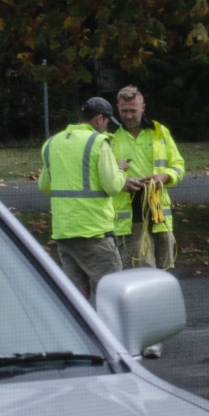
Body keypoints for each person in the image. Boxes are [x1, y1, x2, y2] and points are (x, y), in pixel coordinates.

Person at [39, 97, 125, 301]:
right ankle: (110, 332)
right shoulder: (98, 142)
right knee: (111, 293)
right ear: (98, 118)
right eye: (106, 122)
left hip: (64, 232)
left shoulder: (52, 143)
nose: (106, 127)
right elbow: (113, 186)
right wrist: (120, 169)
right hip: (93, 230)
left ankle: (81, 331)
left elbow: (44, 186)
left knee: (78, 296)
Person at [110, 86, 186, 272]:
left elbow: (178, 165)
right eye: (123, 111)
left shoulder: (159, 132)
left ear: (143, 108)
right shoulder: (109, 137)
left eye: (133, 111)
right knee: (139, 273)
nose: (128, 116)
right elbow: (100, 175)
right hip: (129, 217)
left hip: (158, 212)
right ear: (117, 108)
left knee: (164, 270)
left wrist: (165, 176)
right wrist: (121, 183)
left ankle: (164, 302)